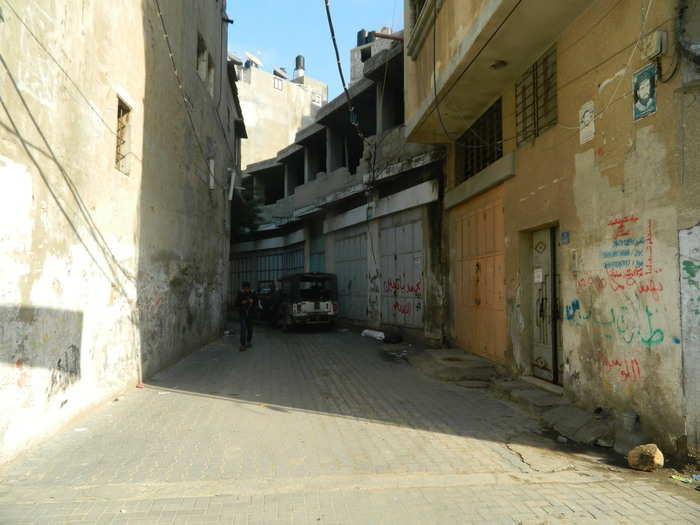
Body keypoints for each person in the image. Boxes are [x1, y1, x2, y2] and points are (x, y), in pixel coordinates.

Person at [236, 282, 257, 351]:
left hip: (250, 314)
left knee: (250, 329)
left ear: (249, 288)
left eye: (247, 288)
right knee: (243, 329)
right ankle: (242, 345)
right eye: (244, 289)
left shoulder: (253, 293)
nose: (246, 290)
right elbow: (236, 303)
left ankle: (249, 341)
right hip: (242, 314)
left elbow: (256, 303)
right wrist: (241, 303)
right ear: (243, 288)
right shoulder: (240, 294)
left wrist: (252, 302)